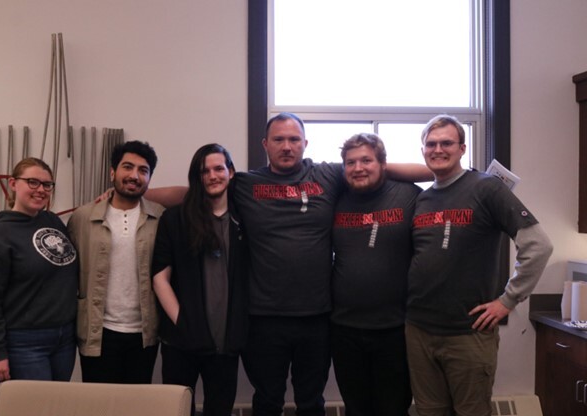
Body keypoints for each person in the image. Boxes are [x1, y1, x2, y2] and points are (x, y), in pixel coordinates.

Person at [145, 112, 431, 415]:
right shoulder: (245, 183)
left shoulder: (329, 175)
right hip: (264, 318)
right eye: (279, 140)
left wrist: (446, 171)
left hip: (317, 317)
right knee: (268, 400)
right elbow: (191, 192)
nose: (287, 146)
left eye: (294, 139)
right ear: (265, 144)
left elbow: (383, 169)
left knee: (311, 401)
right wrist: (137, 194)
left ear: (305, 143)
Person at [406, 115, 553, 416]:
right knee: (429, 411)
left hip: (468, 333)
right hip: (419, 330)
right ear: (422, 151)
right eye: (430, 144)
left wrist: (508, 300)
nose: (438, 149)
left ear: (462, 148)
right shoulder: (422, 200)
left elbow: (538, 245)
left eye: (446, 143)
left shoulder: (486, 188)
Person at [151, 143, 248, 416]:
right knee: (177, 409)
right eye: (204, 171)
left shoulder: (245, 218)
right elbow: (160, 277)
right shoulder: (175, 219)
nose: (213, 176)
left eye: (219, 168)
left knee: (220, 409)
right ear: (197, 176)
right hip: (181, 340)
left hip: (226, 342)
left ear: (230, 172)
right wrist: (181, 320)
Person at [330, 133, 420, 416]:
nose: (358, 168)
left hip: (395, 329)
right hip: (344, 328)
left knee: (392, 408)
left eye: (366, 160)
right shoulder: (336, 198)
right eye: (350, 162)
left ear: (383, 163)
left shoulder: (409, 195)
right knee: (356, 409)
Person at [67, 140, 165, 383]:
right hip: (97, 332)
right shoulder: (82, 217)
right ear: (112, 172)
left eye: (143, 171)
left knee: (135, 404)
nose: (134, 175)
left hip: (143, 333)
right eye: (127, 167)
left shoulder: (160, 217)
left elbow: (188, 194)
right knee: (99, 405)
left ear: (150, 178)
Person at [0, 157, 78, 383]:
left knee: (56, 406)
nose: (40, 190)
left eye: (46, 185)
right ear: (13, 183)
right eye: (32, 182)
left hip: (64, 338)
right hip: (24, 343)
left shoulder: (53, 222)